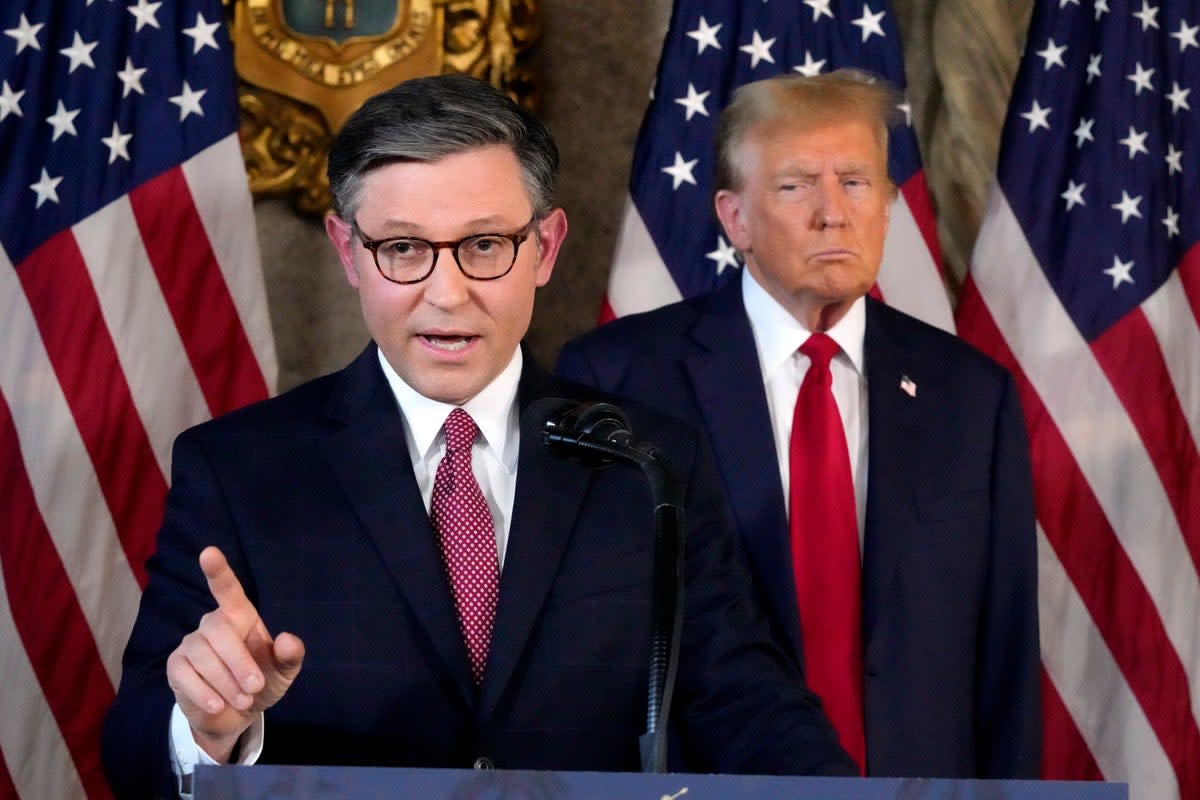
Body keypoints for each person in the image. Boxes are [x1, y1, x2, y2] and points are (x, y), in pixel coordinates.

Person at [101, 74, 856, 799]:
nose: (447, 291)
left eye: (485, 244)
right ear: (347, 251)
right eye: (403, 248)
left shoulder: (650, 464)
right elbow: (133, 753)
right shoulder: (239, 471)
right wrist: (204, 730)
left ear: (546, 247)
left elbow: (747, 705)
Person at [557, 70, 1040, 778]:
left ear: (886, 205)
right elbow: (590, 649)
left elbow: (1005, 659)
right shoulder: (621, 381)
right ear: (734, 218)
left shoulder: (971, 396)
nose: (832, 212)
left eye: (855, 181)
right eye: (795, 185)